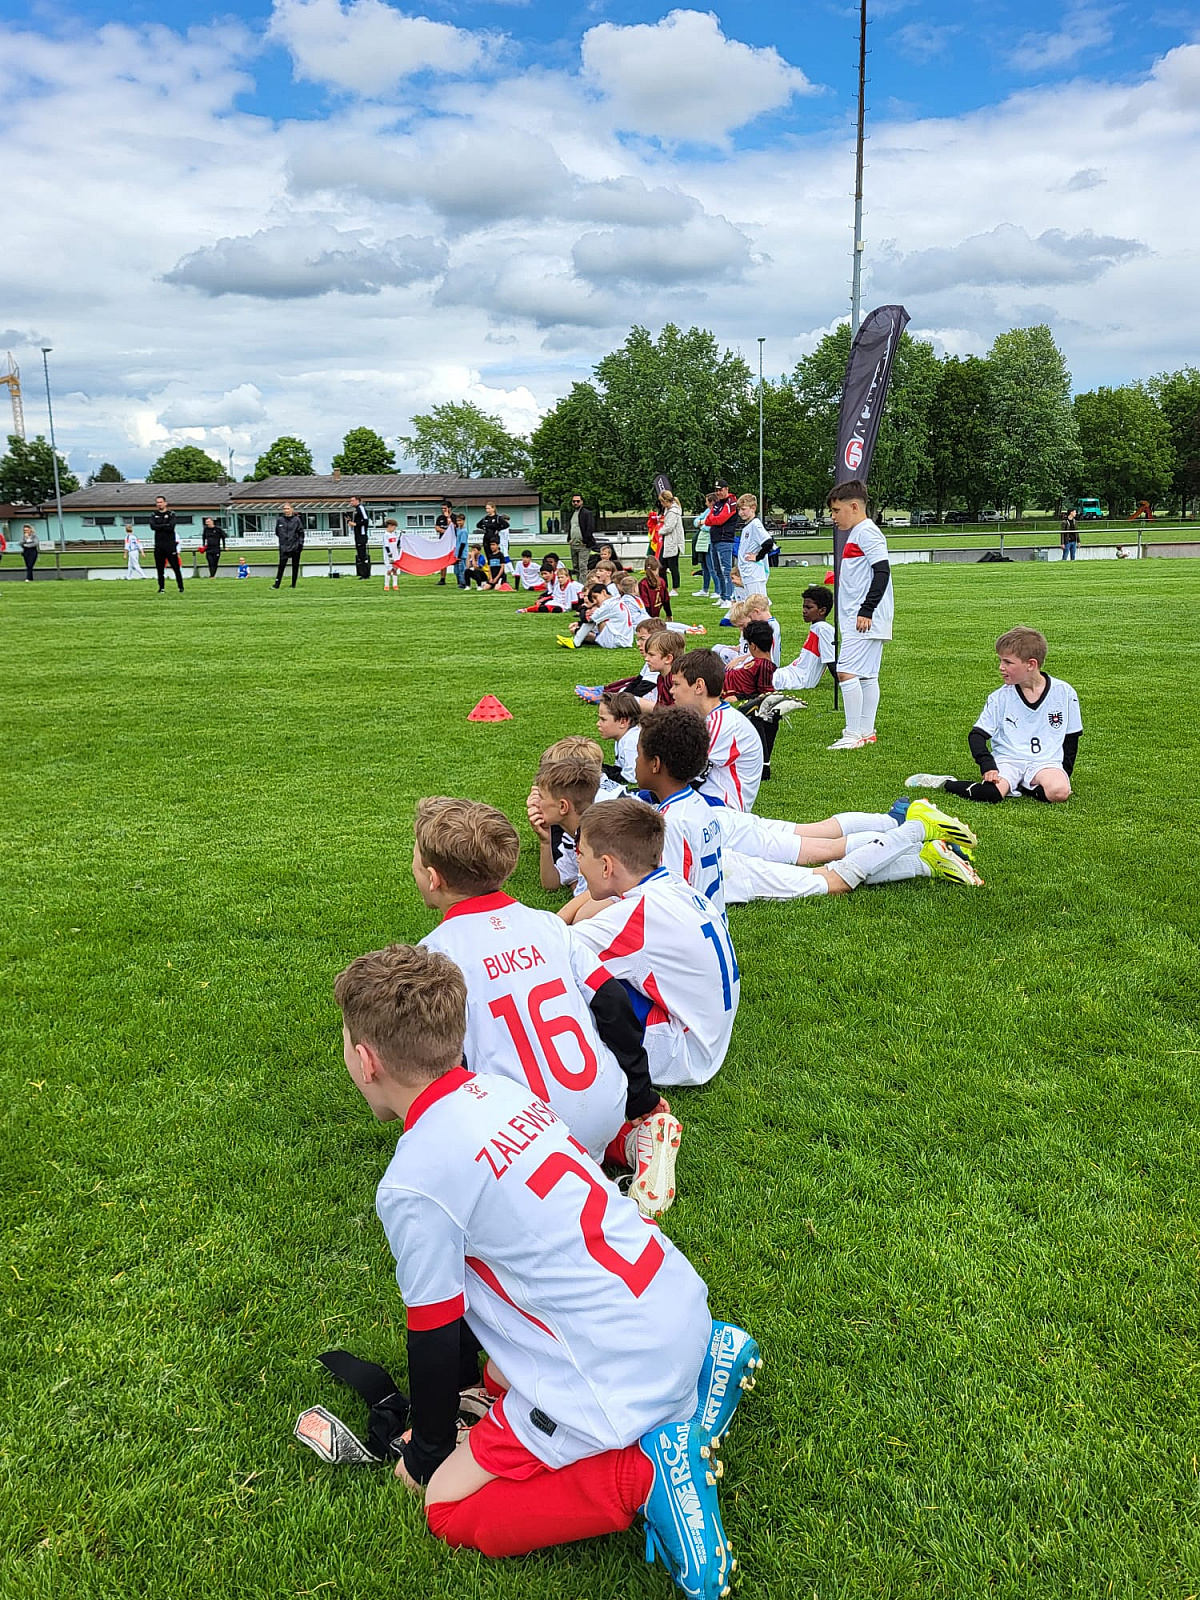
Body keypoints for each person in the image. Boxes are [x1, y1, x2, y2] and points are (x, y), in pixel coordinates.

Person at [333, 941, 753, 1593]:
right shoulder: (503, 1092)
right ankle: (704, 1366)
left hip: (616, 1363)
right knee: (502, 1373)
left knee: (448, 1506)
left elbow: (435, 1330)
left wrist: (426, 1454)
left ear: (366, 1060)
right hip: (673, 1305)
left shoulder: (414, 1179)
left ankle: (644, 1475)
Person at [410, 797, 679, 1214]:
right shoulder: (549, 925)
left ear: (432, 878)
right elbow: (612, 1003)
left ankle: (585, 1187)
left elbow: (444, 1064)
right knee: (587, 1125)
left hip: (524, 1136)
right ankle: (630, 1139)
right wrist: (639, 1095)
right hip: (603, 1106)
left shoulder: (435, 956)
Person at [637, 707, 983, 906]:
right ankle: (925, 859)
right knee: (824, 858)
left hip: (736, 874)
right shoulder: (688, 806)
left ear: (655, 763)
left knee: (832, 876)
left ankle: (917, 826)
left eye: (638, 755)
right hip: (731, 858)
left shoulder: (671, 822)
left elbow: (669, 895)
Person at [566, 799, 739, 1089]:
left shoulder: (634, 917)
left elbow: (548, 949)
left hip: (682, 1054)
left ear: (606, 865)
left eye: (580, 854)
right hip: (709, 1035)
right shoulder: (673, 885)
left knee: (573, 977)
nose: (579, 865)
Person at [906, 626, 1082, 804]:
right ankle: (946, 783)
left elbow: (1071, 737)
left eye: (1008, 662)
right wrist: (987, 765)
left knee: (1059, 793)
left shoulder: (1064, 692)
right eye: (1000, 661)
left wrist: (1064, 775)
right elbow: (977, 735)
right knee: (992, 794)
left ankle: (1024, 785)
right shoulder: (999, 697)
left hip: (1045, 763)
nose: (1001, 667)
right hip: (1009, 760)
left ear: (1031, 664)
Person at [827, 478, 892, 751]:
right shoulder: (858, 533)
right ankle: (866, 731)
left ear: (854, 506)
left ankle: (852, 734)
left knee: (846, 672)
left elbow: (882, 571)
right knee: (867, 675)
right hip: (865, 617)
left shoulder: (866, 532)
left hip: (863, 618)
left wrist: (867, 609)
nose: (833, 517)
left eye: (836, 511)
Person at [670, 649, 764, 812]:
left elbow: (685, 775)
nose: (672, 690)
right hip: (706, 800)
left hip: (722, 808)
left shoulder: (722, 723)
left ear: (699, 686)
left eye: (676, 684)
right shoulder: (712, 718)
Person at [766, 587, 836, 702]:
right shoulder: (817, 627)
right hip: (791, 673)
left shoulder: (823, 630)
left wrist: (845, 682)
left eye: (809, 607)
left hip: (797, 679)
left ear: (822, 611)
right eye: (803, 607)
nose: (804, 611)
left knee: (751, 677)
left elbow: (831, 660)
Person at [704, 480, 740, 607]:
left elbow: (720, 519)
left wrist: (713, 519)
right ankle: (723, 595)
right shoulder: (718, 503)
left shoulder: (731, 502)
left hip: (725, 539)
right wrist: (713, 519)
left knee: (726, 570)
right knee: (717, 569)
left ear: (726, 489)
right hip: (715, 539)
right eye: (717, 490)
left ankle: (729, 597)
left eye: (720, 490)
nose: (718, 493)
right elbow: (708, 520)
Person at [596, 692, 642, 785]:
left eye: (603, 719)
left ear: (623, 722)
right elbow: (620, 769)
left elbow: (632, 777)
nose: (598, 724)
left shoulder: (631, 741)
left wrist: (604, 773)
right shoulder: (622, 738)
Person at [735, 497, 773, 596]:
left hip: (754, 574)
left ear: (753, 508)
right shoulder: (748, 525)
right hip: (747, 573)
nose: (740, 513)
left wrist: (758, 557)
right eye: (739, 510)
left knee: (758, 603)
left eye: (743, 509)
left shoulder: (756, 525)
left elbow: (768, 542)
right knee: (749, 603)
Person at [149, 496, 183, 594]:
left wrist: (159, 526)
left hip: (170, 545)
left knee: (176, 567)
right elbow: (153, 527)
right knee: (160, 568)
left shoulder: (171, 514)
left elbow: (171, 527)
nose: (159, 504)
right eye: (157, 502)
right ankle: (161, 588)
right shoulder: (154, 515)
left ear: (165, 503)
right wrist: (165, 525)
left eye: (161, 502)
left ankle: (180, 587)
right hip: (159, 546)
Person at [475, 506, 510, 589]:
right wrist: (485, 527)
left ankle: (501, 578)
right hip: (486, 541)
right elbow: (478, 525)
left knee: (497, 559)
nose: (487, 510)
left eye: (488, 508)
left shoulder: (497, 518)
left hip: (494, 538)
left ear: (493, 509)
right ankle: (490, 578)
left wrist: (498, 528)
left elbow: (506, 525)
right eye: (486, 508)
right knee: (490, 560)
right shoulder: (485, 518)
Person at [657, 491, 684, 594]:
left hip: (673, 542)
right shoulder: (669, 511)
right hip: (668, 541)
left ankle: (675, 588)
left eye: (662, 501)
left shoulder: (673, 512)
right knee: (661, 566)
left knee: (673, 566)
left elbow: (669, 527)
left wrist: (660, 531)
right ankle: (664, 587)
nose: (661, 504)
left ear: (666, 501)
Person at [566, 493, 597, 580]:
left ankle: (583, 585)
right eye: (574, 501)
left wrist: (585, 541)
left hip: (583, 545)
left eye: (578, 501)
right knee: (575, 567)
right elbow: (571, 527)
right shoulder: (572, 513)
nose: (576, 503)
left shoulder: (587, 513)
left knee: (582, 566)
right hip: (573, 544)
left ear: (582, 502)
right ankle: (578, 583)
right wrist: (569, 539)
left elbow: (590, 528)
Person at [349, 496, 372, 580]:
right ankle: (362, 573)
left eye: (352, 501)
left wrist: (356, 524)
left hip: (361, 535)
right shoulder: (356, 510)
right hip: (357, 534)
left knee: (363, 554)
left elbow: (365, 520)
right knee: (359, 555)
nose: (351, 502)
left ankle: (366, 574)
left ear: (358, 501)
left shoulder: (361, 508)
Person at [434, 500, 455, 586]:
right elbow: (437, 528)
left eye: (445, 508)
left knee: (456, 560)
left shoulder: (454, 517)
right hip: (442, 542)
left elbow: (454, 527)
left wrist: (448, 518)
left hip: (452, 542)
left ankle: (460, 578)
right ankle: (442, 579)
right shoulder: (440, 518)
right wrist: (446, 532)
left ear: (450, 508)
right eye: (442, 508)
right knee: (443, 560)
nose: (443, 510)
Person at [381, 519, 402, 592]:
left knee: (395, 569)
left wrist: (400, 538)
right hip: (389, 555)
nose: (394, 529)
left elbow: (397, 544)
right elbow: (386, 545)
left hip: (395, 554)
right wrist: (389, 554)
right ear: (389, 526)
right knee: (389, 570)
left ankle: (395, 585)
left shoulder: (394, 534)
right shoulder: (386, 535)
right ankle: (386, 585)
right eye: (394, 527)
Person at [454, 514, 470, 588]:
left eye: (460, 520)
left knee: (462, 569)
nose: (458, 522)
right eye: (457, 521)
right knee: (457, 570)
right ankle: (459, 582)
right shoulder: (458, 529)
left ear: (463, 521)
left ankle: (464, 583)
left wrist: (459, 555)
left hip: (462, 553)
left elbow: (463, 543)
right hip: (457, 552)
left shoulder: (464, 531)